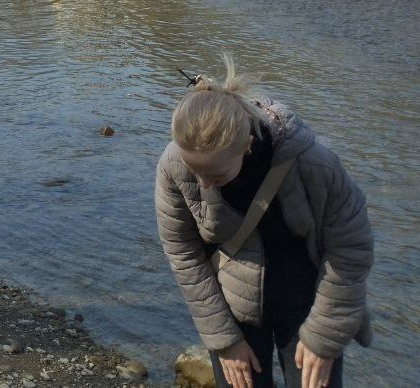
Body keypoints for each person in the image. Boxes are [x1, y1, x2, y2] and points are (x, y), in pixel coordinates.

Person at [155, 62, 373, 388]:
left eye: (216, 175)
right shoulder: (173, 165)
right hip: (232, 310)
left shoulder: (313, 164)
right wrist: (223, 339)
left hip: (306, 306)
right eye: (193, 170)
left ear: (246, 145)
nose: (203, 183)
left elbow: (351, 248)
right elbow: (183, 253)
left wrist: (325, 338)